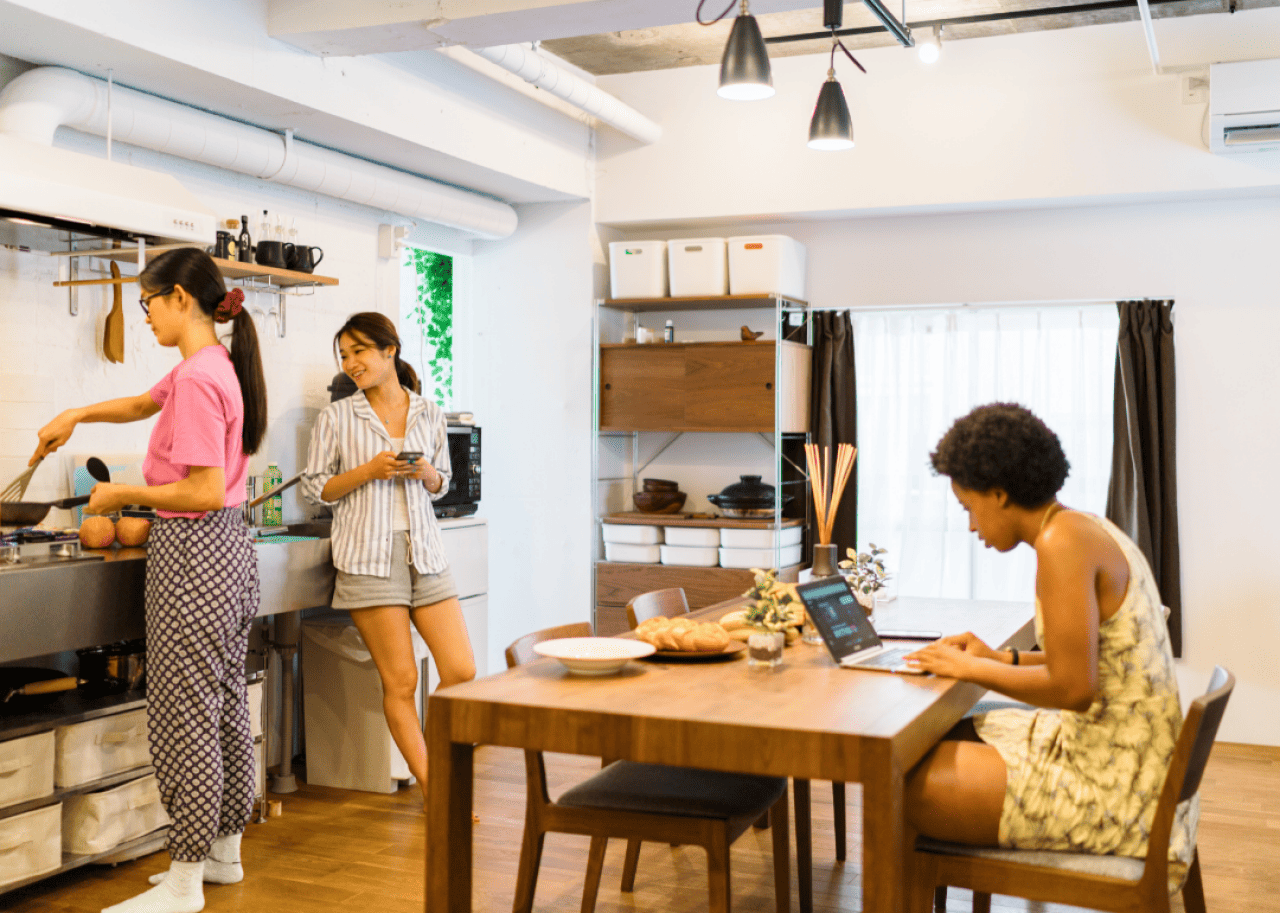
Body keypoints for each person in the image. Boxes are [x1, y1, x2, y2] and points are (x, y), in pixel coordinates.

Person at [32, 248, 267, 913]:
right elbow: (141, 401)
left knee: (181, 714)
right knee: (220, 707)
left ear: (179, 299)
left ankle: (185, 878)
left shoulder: (198, 380)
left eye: (147, 304)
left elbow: (200, 488)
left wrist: (118, 493)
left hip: (193, 554)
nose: (145, 317)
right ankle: (222, 853)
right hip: (225, 555)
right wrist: (75, 415)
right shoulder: (210, 365)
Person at [904, 402, 1196, 888]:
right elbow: (1090, 657)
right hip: (1137, 767)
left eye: (968, 508)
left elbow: (1073, 687)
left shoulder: (1062, 545)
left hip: (1117, 791)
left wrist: (969, 669)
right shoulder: (1082, 526)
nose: (971, 526)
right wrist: (1000, 658)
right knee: (944, 741)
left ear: (998, 494)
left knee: (907, 787)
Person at [301, 312, 475, 810]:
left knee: (461, 671)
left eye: (360, 351)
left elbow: (442, 481)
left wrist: (426, 474)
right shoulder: (337, 417)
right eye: (344, 355)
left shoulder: (429, 411)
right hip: (368, 558)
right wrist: (369, 470)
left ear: (388, 351)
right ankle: (436, 791)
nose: (351, 362)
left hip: (425, 552)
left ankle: (445, 763)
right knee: (402, 681)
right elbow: (318, 488)